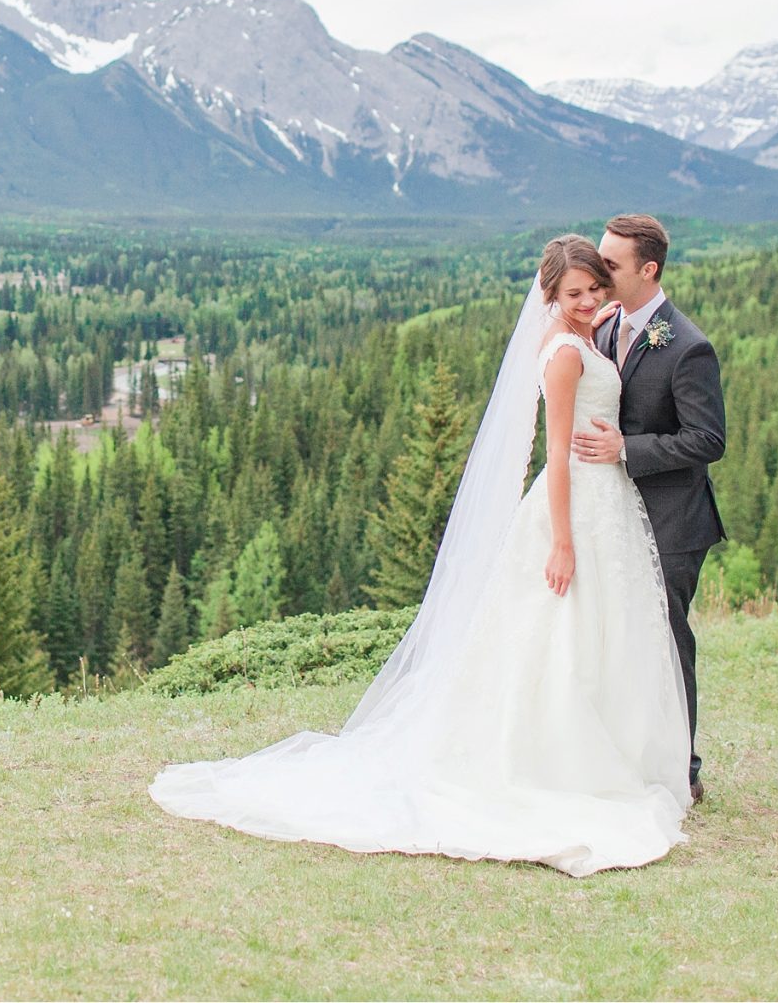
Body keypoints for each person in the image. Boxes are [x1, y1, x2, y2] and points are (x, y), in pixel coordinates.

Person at [148, 235, 693, 876]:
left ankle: (604, 750)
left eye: (597, 288)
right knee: (563, 636)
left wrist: (590, 317)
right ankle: (563, 762)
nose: (591, 299)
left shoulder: (573, 332)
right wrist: (564, 540)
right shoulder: (567, 354)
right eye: (575, 293)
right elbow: (557, 451)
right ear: (549, 296)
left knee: (593, 632)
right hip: (576, 503)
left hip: (603, 500)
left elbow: (584, 347)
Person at [576, 213, 726, 801]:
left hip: (673, 521)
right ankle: (627, 752)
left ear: (648, 269)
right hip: (616, 516)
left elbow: (708, 440)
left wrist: (624, 449)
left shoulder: (688, 346)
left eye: (610, 264)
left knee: (667, 638)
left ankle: (681, 766)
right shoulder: (608, 323)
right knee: (623, 636)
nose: (598, 271)